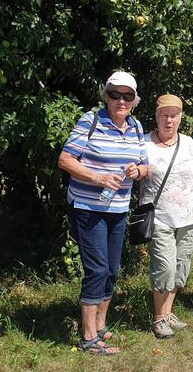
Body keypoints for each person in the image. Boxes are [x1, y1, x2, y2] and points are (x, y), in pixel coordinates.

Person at [58, 71, 147, 355]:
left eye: (127, 96)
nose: (121, 100)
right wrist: (97, 178)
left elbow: (144, 166)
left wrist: (138, 170)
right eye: (115, 94)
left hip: (118, 209)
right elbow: (65, 160)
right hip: (88, 208)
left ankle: (100, 325)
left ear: (134, 100)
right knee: (96, 269)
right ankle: (88, 338)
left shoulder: (135, 127)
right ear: (106, 95)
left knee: (111, 270)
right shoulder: (91, 121)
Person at [139, 94, 193, 339]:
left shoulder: (187, 143)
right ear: (156, 117)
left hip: (188, 217)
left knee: (179, 269)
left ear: (180, 118)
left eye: (174, 115)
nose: (169, 120)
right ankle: (158, 318)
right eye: (164, 115)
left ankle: (168, 314)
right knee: (164, 268)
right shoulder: (143, 143)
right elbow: (130, 170)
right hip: (158, 217)